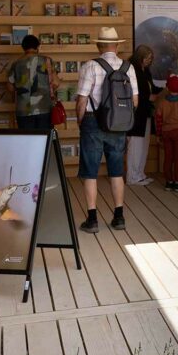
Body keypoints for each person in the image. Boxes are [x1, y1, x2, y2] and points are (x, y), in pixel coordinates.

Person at [76, 27, 138, 233]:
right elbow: (135, 101)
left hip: (93, 121)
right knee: (116, 171)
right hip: (119, 123)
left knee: (90, 172)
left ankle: (92, 219)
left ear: (98, 45)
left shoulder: (90, 66)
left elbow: (82, 99)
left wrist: (81, 121)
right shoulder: (129, 67)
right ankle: (119, 216)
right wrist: (122, 118)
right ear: (117, 45)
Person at [126, 45, 161, 187]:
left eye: (151, 58)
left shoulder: (145, 71)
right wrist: (150, 97)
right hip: (135, 114)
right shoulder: (132, 70)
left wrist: (165, 89)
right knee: (135, 146)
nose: (150, 61)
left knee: (143, 146)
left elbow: (151, 88)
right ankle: (132, 177)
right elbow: (136, 92)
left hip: (145, 112)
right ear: (141, 57)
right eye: (148, 58)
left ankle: (139, 174)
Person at [6, 34, 59, 130]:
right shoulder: (47, 61)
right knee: (43, 141)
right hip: (44, 108)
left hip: (23, 110)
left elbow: (10, 88)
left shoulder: (16, 64)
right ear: (38, 47)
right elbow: (56, 83)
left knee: (27, 141)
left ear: (23, 48)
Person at [155, 74, 178, 192]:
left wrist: (158, 135)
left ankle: (169, 182)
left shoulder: (162, 103)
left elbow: (158, 121)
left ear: (168, 88)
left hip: (166, 133)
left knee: (168, 157)